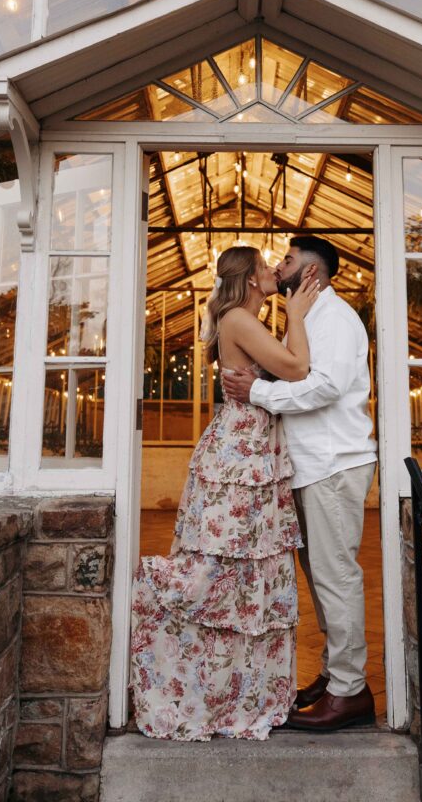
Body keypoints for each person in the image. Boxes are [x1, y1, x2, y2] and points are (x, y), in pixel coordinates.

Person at [130, 245, 319, 740]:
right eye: (265, 265)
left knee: (248, 575)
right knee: (224, 570)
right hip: (241, 454)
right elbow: (298, 368)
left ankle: (239, 691)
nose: (274, 268)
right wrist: (296, 313)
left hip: (252, 448)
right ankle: (154, 594)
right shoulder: (238, 318)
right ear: (252, 279)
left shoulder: (245, 319)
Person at [223, 236, 378, 732]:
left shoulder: (334, 318)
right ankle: (338, 677)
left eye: (287, 260)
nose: (279, 264)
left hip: (333, 464)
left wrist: (259, 391)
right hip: (312, 467)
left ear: (310, 272)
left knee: (336, 577)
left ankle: (349, 693)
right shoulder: (308, 319)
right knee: (322, 577)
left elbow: (326, 385)